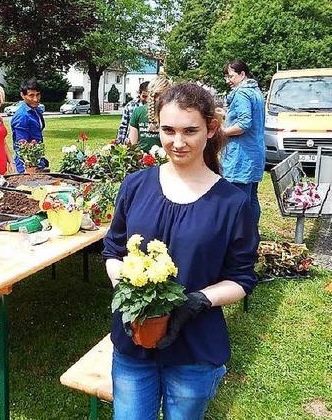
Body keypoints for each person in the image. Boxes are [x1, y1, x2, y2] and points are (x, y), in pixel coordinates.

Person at [103, 83, 259, 420]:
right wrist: (129, 292)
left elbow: (242, 277)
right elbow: (113, 252)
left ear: (211, 128)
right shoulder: (135, 186)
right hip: (134, 342)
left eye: (190, 131)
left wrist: (199, 300)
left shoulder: (231, 203)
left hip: (194, 348)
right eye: (168, 130)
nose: (177, 142)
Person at [221, 59, 265, 229]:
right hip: (254, 152)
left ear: (242, 74)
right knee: (252, 198)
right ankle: (252, 235)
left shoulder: (242, 93)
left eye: (231, 76)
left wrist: (221, 133)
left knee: (238, 200)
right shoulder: (256, 91)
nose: (228, 80)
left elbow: (244, 124)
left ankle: (240, 238)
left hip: (241, 155)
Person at [11, 77, 49, 172]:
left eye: (38, 95)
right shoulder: (22, 116)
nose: (35, 99)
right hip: (27, 165)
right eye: (31, 95)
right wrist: (31, 168)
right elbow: (21, 147)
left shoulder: (36, 110)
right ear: (22, 95)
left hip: (38, 160)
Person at [128, 75, 172, 152]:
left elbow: (133, 144)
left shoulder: (138, 111)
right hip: (166, 159)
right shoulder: (171, 113)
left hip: (142, 159)